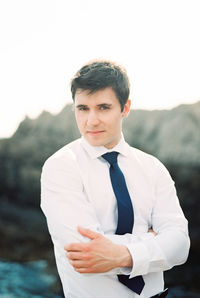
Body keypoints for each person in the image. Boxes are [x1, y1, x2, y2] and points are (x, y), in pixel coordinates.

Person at [41, 60, 190, 298]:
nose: (91, 121)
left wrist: (122, 255)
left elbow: (180, 245)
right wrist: (152, 240)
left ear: (125, 108)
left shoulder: (153, 168)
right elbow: (87, 253)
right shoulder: (60, 167)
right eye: (82, 109)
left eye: (103, 107)